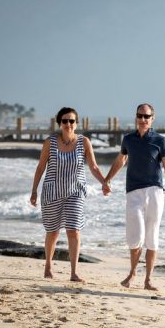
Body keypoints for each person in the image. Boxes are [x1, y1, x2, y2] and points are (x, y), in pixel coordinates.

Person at [104, 103, 165, 291]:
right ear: (136, 117)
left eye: (147, 117)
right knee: (135, 235)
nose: (143, 119)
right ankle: (132, 272)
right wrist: (107, 180)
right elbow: (121, 160)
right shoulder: (128, 139)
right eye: (140, 116)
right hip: (133, 192)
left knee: (152, 236)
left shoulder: (160, 140)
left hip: (155, 191)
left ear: (152, 119)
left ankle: (148, 279)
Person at [30, 107, 109, 282]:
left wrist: (104, 182)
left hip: (75, 192)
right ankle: (48, 266)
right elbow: (40, 167)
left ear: (76, 123)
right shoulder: (50, 142)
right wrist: (34, 191)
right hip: (52, 192)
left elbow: (93, 167)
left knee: (73, 230)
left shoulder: (84, 142)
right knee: (53, 231)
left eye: (71, 121)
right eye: (64, 121)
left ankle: (74, 272)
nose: (68, 124)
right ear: (59, 123)